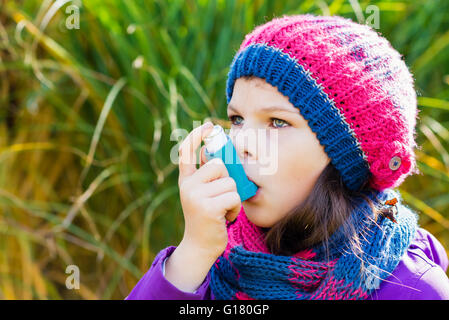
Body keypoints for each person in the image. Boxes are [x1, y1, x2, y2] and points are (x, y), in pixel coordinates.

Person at [126, 14, 449, 300]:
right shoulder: (208, 262)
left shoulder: (411, 288)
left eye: (278, 122)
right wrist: (193, 253)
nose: (241, 143)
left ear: (346, 157)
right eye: (237, 119)